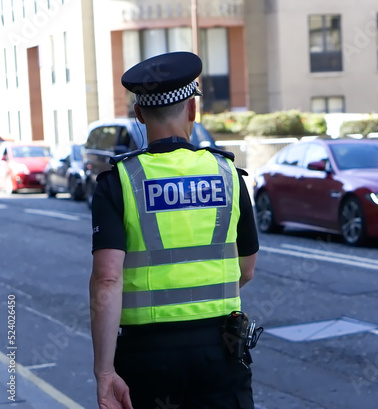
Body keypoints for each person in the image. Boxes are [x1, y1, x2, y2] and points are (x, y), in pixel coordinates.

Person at [89, 51, 259, 409]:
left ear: (139, 115)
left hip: (148, 354)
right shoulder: (228, 174)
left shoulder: (119, 181)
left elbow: (107, 280)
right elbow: (246, 269)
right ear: (193, 111)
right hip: (220, 349)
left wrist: (105, 372)